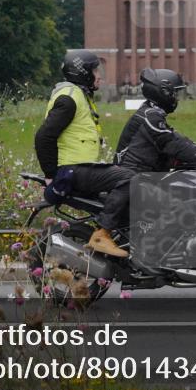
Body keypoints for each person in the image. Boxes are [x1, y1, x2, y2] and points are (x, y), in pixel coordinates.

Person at [34, 50, 134, 258]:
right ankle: (102, 234)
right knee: (130, 178)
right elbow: (43, 136)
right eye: (95, 70)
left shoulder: (78, 95)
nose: (99, 75)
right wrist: (51, 174)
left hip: (79, 168)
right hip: (72, 170)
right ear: (82, 72)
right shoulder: (69, 98)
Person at [115, 68, 196, 173]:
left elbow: (178, 139)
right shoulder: (149, 117)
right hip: (131, 181)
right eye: (174, 93)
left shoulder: (150, 113)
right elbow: (173, 145)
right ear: (163, 93)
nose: (177, 98)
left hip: (140, 176)